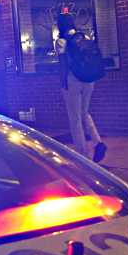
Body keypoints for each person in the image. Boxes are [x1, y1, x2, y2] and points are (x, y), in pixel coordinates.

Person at [56, 12, 106, 163]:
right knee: (84, 112)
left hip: (73, 80)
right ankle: (97, 142)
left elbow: (63, 64)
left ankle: (82, 155)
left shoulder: (61, 41)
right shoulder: (84, 37)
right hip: (89, 79)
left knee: (75, 118)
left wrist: (63, 83)